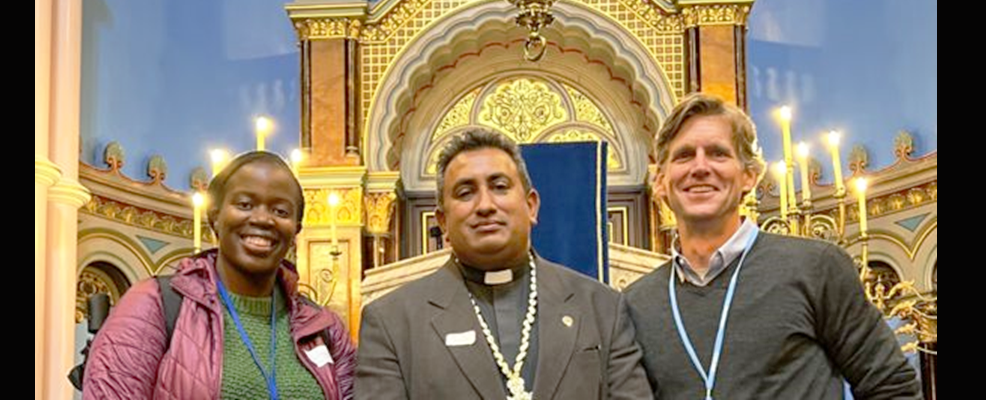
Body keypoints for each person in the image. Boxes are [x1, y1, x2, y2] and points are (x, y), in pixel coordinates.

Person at [625, 93, 920, 399]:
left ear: (749, 176)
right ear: (660, 181)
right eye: (684, 155)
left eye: (718, 154)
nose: (700, 167)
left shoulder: (816, 267)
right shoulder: (635, 302)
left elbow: (892, 387)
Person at [356, 128, 653, 399]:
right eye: (465, 192)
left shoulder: (602, 309)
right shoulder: (392, 322)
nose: (485, 205)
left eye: (499, 186)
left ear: (531, 206)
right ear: (443, 222)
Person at [83, 151, 356, 400]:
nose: (263, 219)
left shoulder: (323, 328)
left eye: (280, 211)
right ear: (215, 217)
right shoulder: (154, 304)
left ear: (296, 230)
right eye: (245, 204)